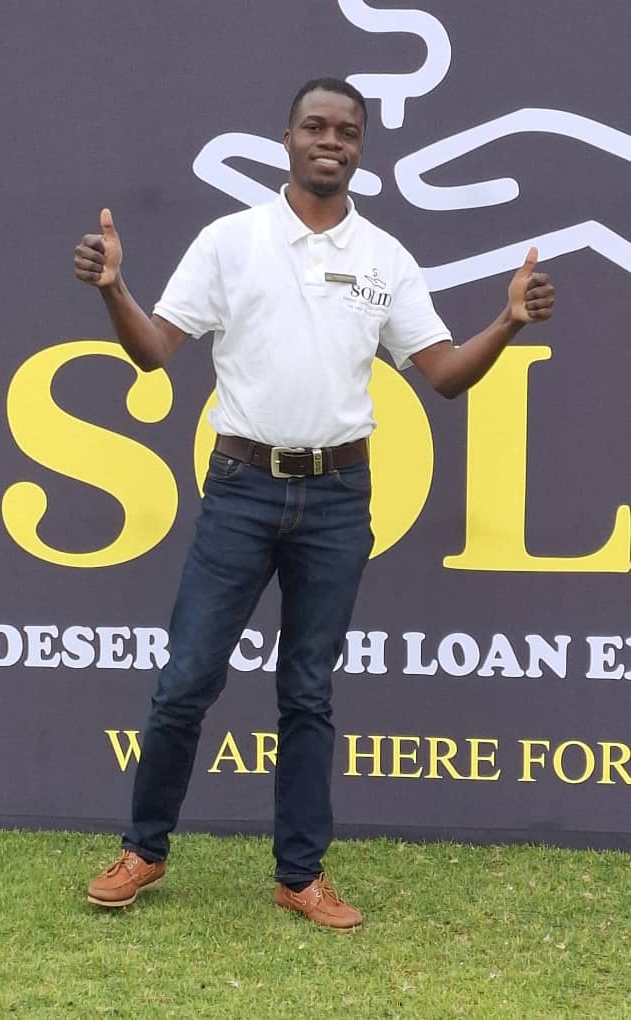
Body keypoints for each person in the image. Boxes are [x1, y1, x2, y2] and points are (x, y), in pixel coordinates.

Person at [73, 77, 555, 931]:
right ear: (286, 137)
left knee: (306, 691)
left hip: (338, 498)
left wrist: (507, 320)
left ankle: (300, 873)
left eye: (347, 131)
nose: (330, 140)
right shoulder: (230, 240)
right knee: (185, 681)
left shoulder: (386, 259)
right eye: (314, 126)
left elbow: (442, 376)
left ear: (361, 148)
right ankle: (143, 851)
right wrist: (115, 289)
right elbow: (153, 353)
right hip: (240, 490)